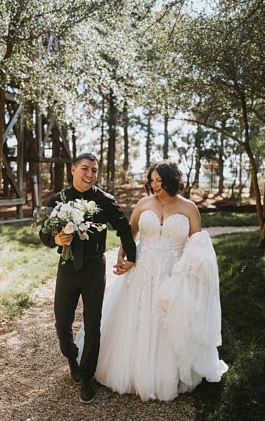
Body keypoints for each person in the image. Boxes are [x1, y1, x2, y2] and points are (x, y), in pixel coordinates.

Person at [81, 160, 228, 401]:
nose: (155, 186)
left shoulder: (189, 208)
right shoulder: (143, 203)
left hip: (173, 273)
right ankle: (130, 369)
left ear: (172, 180)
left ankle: (166, 374)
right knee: (136, 318)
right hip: (142, 269)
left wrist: (192, 267)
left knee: (167, 321)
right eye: (152, 181)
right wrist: (123, 254)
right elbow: (130, 234)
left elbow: (196, 244)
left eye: (159, 181)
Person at [38, 152, 137, 404]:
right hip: (67, 266)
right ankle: (71, 356)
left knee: (93, 324)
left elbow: (124, 227)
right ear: (73, 169)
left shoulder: (105, 200)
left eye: (94, 170)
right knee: (62, 323)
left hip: (94, 267)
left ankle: (86, 377)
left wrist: (132, 256)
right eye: (85, 169)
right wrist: (55, 239)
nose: (90, 175)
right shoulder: (58, 199)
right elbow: (44, 233)